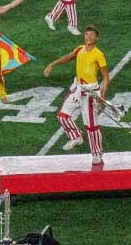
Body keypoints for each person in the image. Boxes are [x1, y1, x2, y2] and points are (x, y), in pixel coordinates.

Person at [44, 25, 108, 165]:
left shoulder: (98, 54)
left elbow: (106, 77)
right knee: (63, 116)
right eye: (87, 34)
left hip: (90, 92)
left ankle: (97, 153)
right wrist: (52, 64)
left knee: (91, 125)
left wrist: (101, 98)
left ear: (96, 38)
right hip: (77, 89)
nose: (89, 37)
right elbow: (68, 57)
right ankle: (76, 137)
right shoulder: (80, 49)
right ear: (84, 36)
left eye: (92, 35)